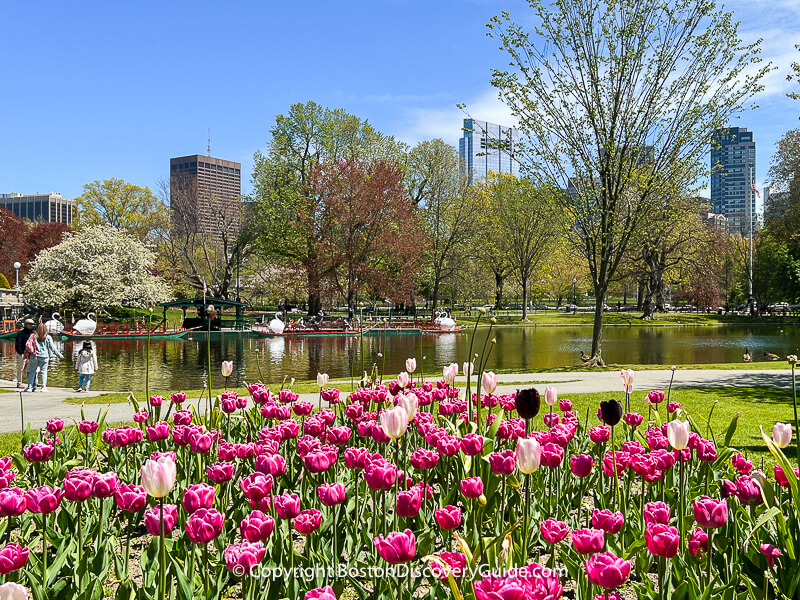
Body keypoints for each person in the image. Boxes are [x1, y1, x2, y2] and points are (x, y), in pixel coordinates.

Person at [24, 323, 64, 393]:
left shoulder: (33, 336)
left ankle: (29, 387)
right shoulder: (48, 337)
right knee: (43, 372)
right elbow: (53, 348)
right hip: (44, 357)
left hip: (34, 356)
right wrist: (59, 355)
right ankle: (43, 387)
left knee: (32, 371)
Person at [14, 318, 35, 388]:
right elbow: (18, 344)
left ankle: (34, 381)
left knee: (33, 368)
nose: (30, 325)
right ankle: (19, 382)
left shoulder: (34, 334)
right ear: (26, 324)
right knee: (21, 368)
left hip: (31, 353)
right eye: (29, 324)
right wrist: (20, 353)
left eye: (32, 324)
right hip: (22, 353)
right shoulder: (21, 333)